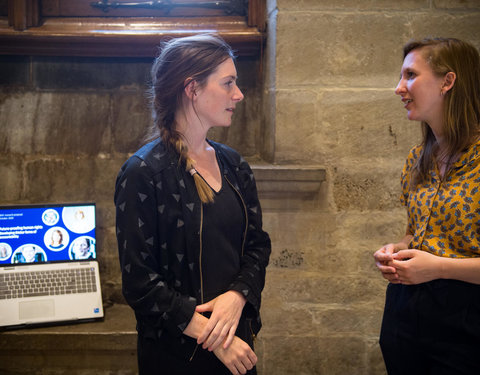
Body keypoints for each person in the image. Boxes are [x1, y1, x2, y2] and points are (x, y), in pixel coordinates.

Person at [114, 34, 271, 375]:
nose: (239, 94)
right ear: (192, 89)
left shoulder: (234, 164)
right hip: (178, 354)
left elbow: (257, 246)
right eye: (228, 83)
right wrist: (216, 339)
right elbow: (140, 282)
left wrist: (238, 296)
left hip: (238, 344)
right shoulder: (144, 172)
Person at [374, 37, 480, 375]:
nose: (398, 88)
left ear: (448, 81)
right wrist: (397, 250)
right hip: (406, 314)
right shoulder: (418, 159)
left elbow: (439, 259)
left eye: (410, 75)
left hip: (467, 320)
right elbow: (414, 233)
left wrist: (438, 268)